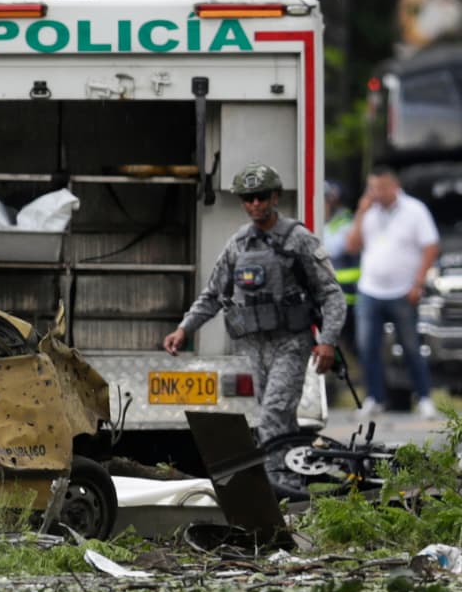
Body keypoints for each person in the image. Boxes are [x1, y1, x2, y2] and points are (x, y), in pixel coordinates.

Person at [162, 163, 347, 445]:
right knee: (269, 418)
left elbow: (331, 294)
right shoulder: (238, 245)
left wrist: (328, 341)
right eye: (249, 198)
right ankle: (287, 480)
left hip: (290, 343)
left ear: (275, 197)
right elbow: (213, 295)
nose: (256, 203)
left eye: (262, 196)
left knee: (273, 413)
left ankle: (275, 479)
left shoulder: (298, 239)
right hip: (251, 346)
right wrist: (184, 329)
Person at [344, 164, 440, 418]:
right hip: (370, 290)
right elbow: (352, 246)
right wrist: (361, 213)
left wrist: (418, 283)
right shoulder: (368, 212)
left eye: (382, 187)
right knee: (367, 347)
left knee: (410, 347)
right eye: (373, 187)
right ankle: (374, 398)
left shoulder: (414, 210)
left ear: (395, 185)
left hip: (403, 290)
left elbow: (430, 246)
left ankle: (424, 397)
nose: (378, 192)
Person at [322, 179, 360, 351]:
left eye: (325, 201)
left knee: (350, 345)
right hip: (328, 296)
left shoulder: (346, 222)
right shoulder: (324, 223)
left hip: (348, 295)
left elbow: (332, 249)